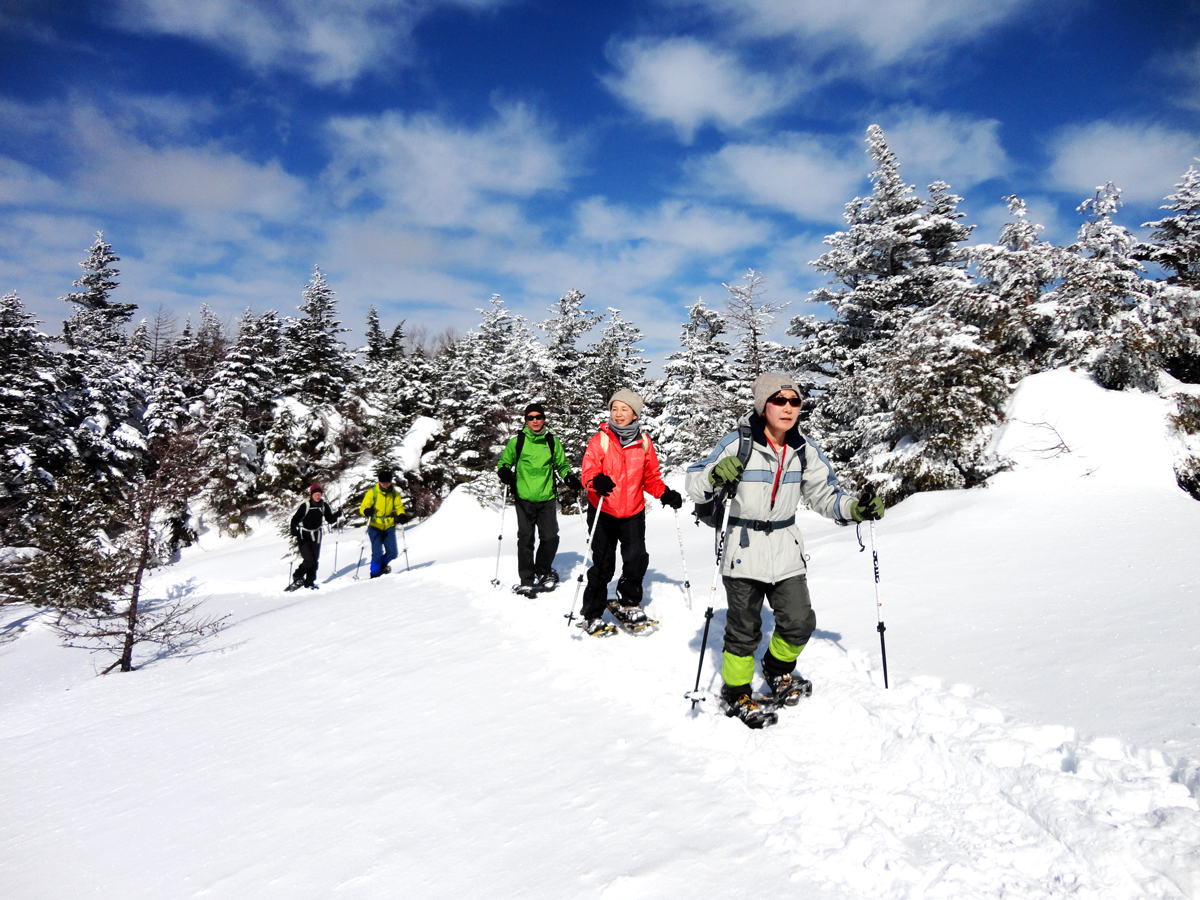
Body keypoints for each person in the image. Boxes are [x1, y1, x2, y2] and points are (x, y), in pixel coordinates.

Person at [685, 372, 884, 725]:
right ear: (763, 406)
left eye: (795, 401)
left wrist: (855, 509)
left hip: (785, 549)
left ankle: (777, 668)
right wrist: (715, 476)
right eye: (779, 400)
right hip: (742, 549)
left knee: (799, 621)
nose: (788, 407)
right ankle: (736, 690)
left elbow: (825, 495)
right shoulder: (737, 443)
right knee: (743, 630)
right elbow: (695, 482)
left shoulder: (804, 449)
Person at [578, 388, 683, 635]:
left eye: (624, 409)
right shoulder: (601, 440)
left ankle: (629, 602)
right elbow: (588, 471)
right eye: (614, 408)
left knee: (636, 558)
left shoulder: (643, 443)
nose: (618, 413)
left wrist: (664, 493)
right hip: (603, 509)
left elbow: (650, 476)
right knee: (603, 564)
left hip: (633, 511)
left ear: (635, 414)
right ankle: (592, 613)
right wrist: (595, 482)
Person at [496, 403, 583, 596]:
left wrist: (569, 477)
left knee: (550, 537)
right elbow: (504, 462)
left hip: (547, 498)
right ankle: (526, 579)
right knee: (525, 539)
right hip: (524, 498)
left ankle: (543, 570)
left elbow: (562, 465)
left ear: (543, 419)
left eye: (538, 417)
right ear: (526, 420)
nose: (535, 421)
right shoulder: (517, 441)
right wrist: (504, 472)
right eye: (531, 417)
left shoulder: (552, 441)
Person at [287, 484, 338, 591]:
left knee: (315, 560)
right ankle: (297, 576)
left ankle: (309, 582)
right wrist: (294, 530)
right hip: (304, 535)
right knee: (309, 560)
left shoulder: (324, 506)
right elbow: (295, 519)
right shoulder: (305, 506)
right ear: (311, 495)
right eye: (315, 495)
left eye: (319, 494)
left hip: (317, 534)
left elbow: (330, 519)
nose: (317, 497)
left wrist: (337, 515)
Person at [359, 470, 406, 579]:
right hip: (375, 526)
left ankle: (381, 568)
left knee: (393, 553)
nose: (386, 485)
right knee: (377, 554)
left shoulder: (393, 493)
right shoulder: (372, 493)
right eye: (383, 483)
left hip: (389, 526)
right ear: (379, 482)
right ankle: (374, 575)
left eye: (388, 482)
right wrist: (366, 511)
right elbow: (363, 507)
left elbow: (399, 506)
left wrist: (401, 514)